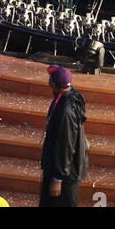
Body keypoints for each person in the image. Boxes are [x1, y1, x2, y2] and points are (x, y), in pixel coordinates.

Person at [39, 65, 89, 208]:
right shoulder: (68, 96)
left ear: (53, 84)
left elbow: (65, 145)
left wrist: (57, 178)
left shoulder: (66, 112)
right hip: (61, 168)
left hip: (64, 173)